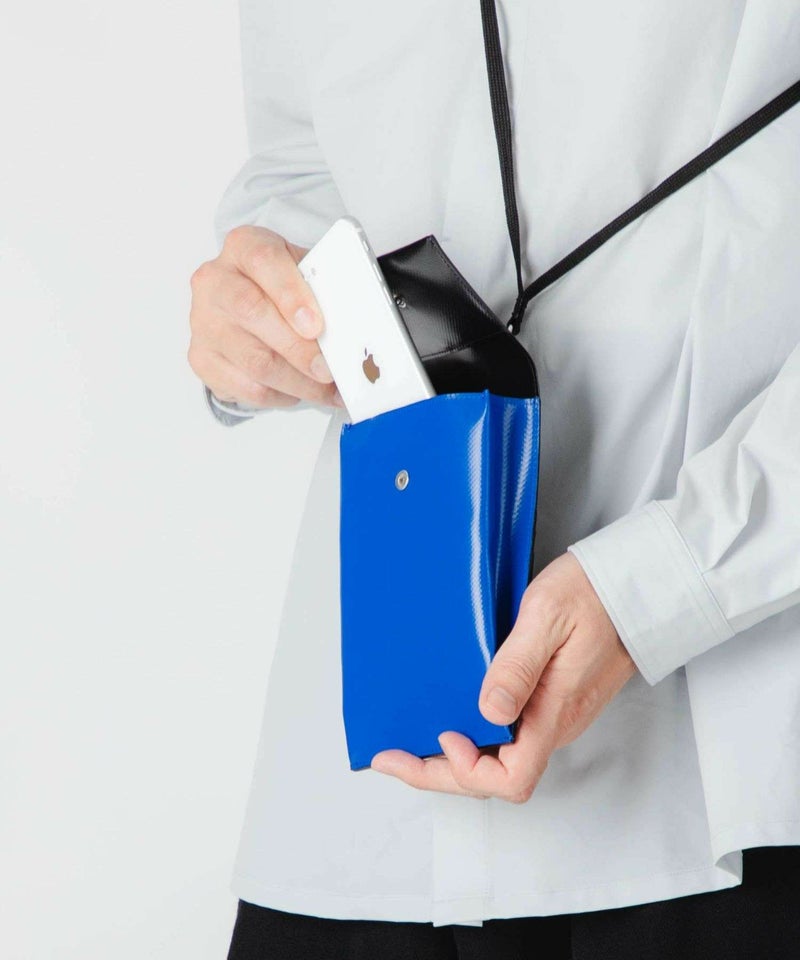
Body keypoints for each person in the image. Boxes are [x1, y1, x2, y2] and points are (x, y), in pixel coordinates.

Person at [187, 1, 800, 956]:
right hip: (362, 826)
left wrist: (665, 582)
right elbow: (300, 168)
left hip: (712, 779)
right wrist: (257, 319)